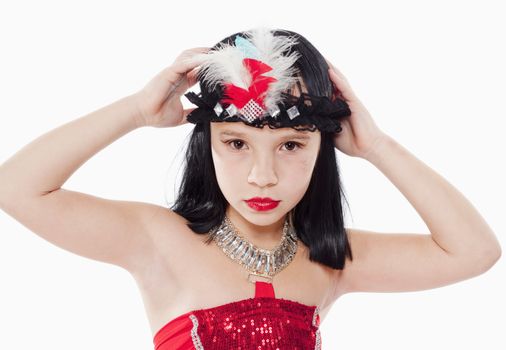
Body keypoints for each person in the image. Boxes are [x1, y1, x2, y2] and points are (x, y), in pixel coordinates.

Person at [0, 27, 501, 350]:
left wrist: (377, 146)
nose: (263, 176)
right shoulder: (157, 240)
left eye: (291, 145)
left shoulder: (332, 258)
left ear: (321, 148)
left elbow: (475, 252)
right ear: (208, 144)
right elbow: (16, 187)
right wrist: (135, 110)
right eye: (237, 143)